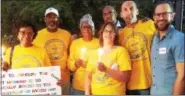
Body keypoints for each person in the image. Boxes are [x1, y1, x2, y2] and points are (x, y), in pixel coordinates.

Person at [119, 1, 156, 95]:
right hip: (128, 84)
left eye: (131, 9)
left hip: (147, 82)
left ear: (137, 11)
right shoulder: (120, 34)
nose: (129, 12)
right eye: (125, 10)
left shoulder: (149, 24)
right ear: (121, 14)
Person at [33, 7, 71, 95]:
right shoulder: (38, 35)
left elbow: (71, 54)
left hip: (63, 78)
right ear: (45, 19)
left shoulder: (67, 34)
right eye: (49, 17)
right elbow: (32, 53)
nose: (52, 19)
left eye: (54, 17)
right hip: (45, 78)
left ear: (58, 20)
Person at [85, 22, 131, 95]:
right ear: (102, 33)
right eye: (106, 31)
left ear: (115, 34)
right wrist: (87, 93)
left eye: (111, 31)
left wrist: (106, 69)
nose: (108, 34)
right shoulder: (93, 53)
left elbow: (125, 77)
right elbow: (88, 76)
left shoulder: (121, 51)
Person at [151, 1, 184, 95]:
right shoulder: (154, 38)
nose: (161, 18)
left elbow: (182, 76)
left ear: (172, 16)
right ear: (154, 17)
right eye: (158, 14)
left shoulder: (179, 39)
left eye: (165, 14)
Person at [68, 14, 99, 95]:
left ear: (93, 29)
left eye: (89, 27)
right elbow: (70, 65)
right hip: (79, 86)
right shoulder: (75, 43)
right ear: (80, 29)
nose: (86, 29)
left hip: (96, 85)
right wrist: (76, 64)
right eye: (84, 27)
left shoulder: (99, 42)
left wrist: (90, 65)